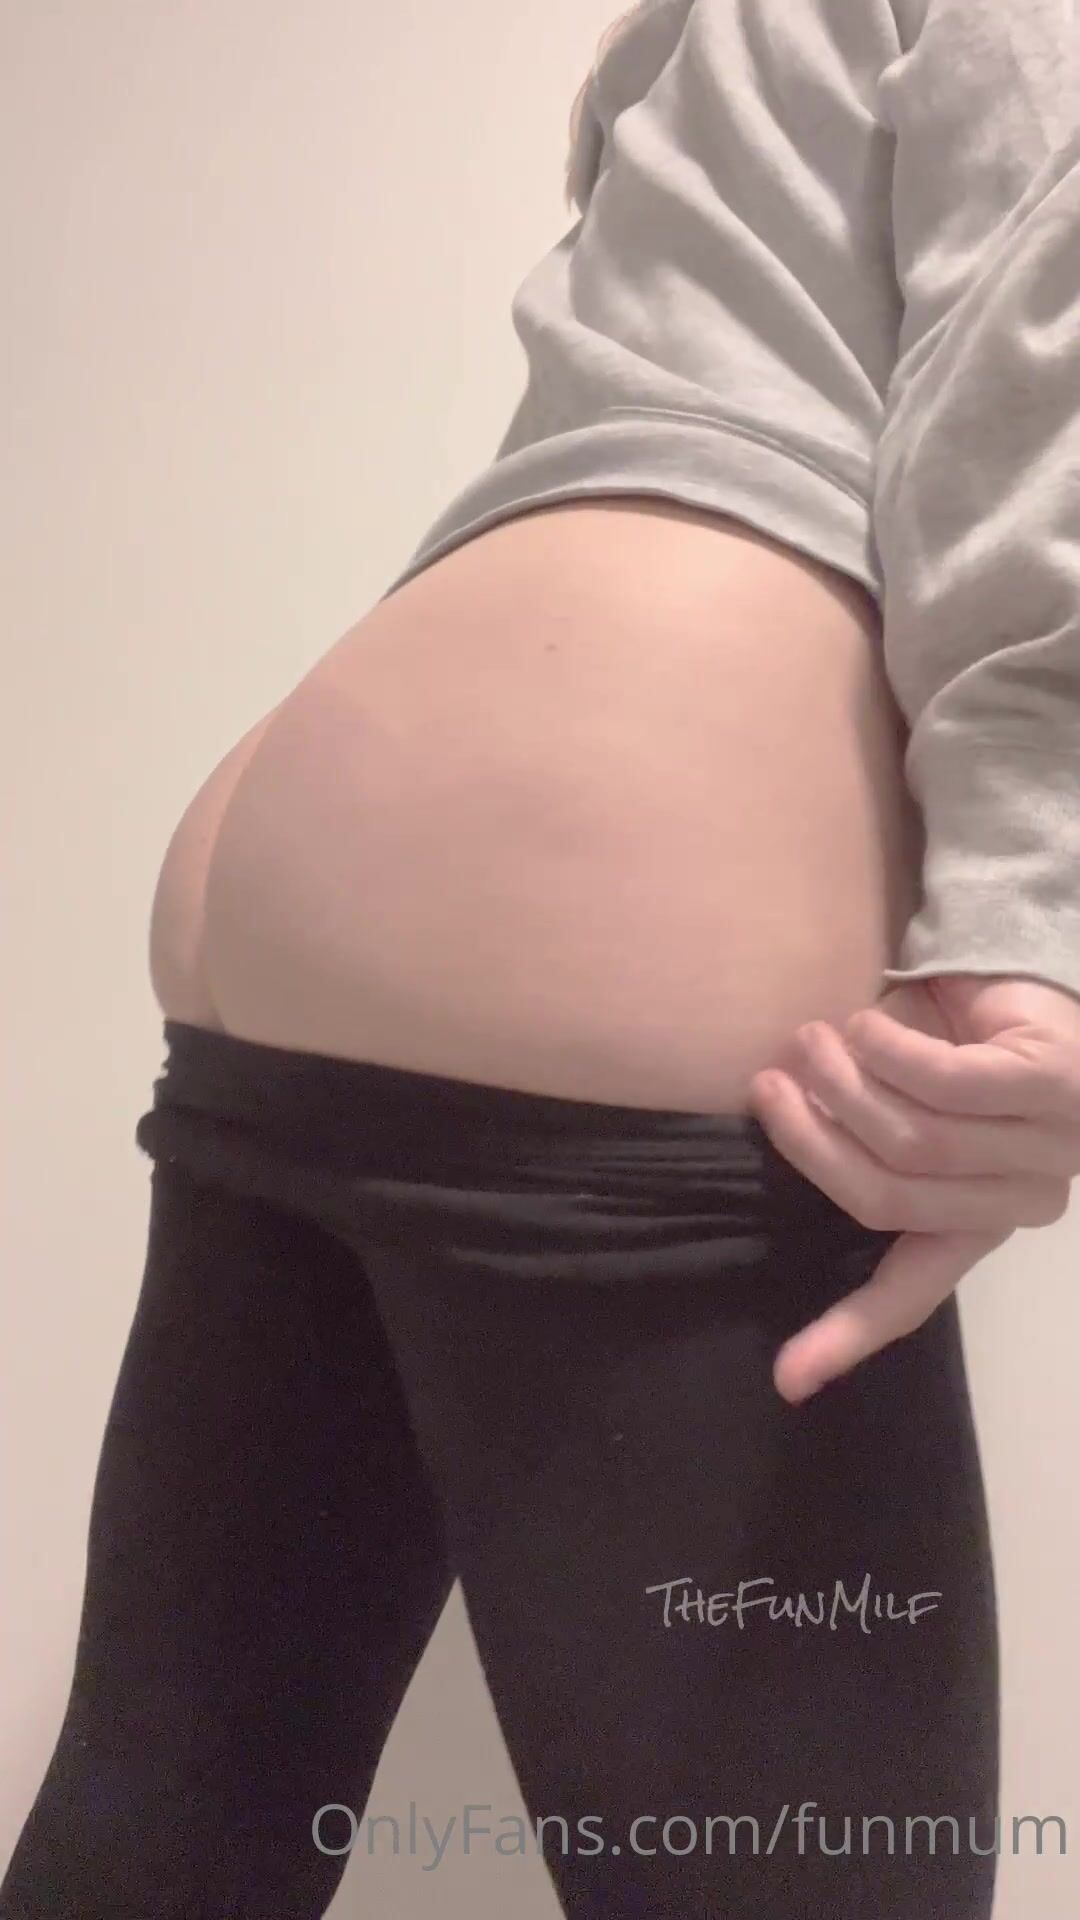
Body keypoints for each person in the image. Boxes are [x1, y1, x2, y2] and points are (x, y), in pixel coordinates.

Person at [4, 3, 1079, 1916]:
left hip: (320, 865)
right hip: (605, 867)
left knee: (176, 1819)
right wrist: (1038, 939)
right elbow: (1042, 373)